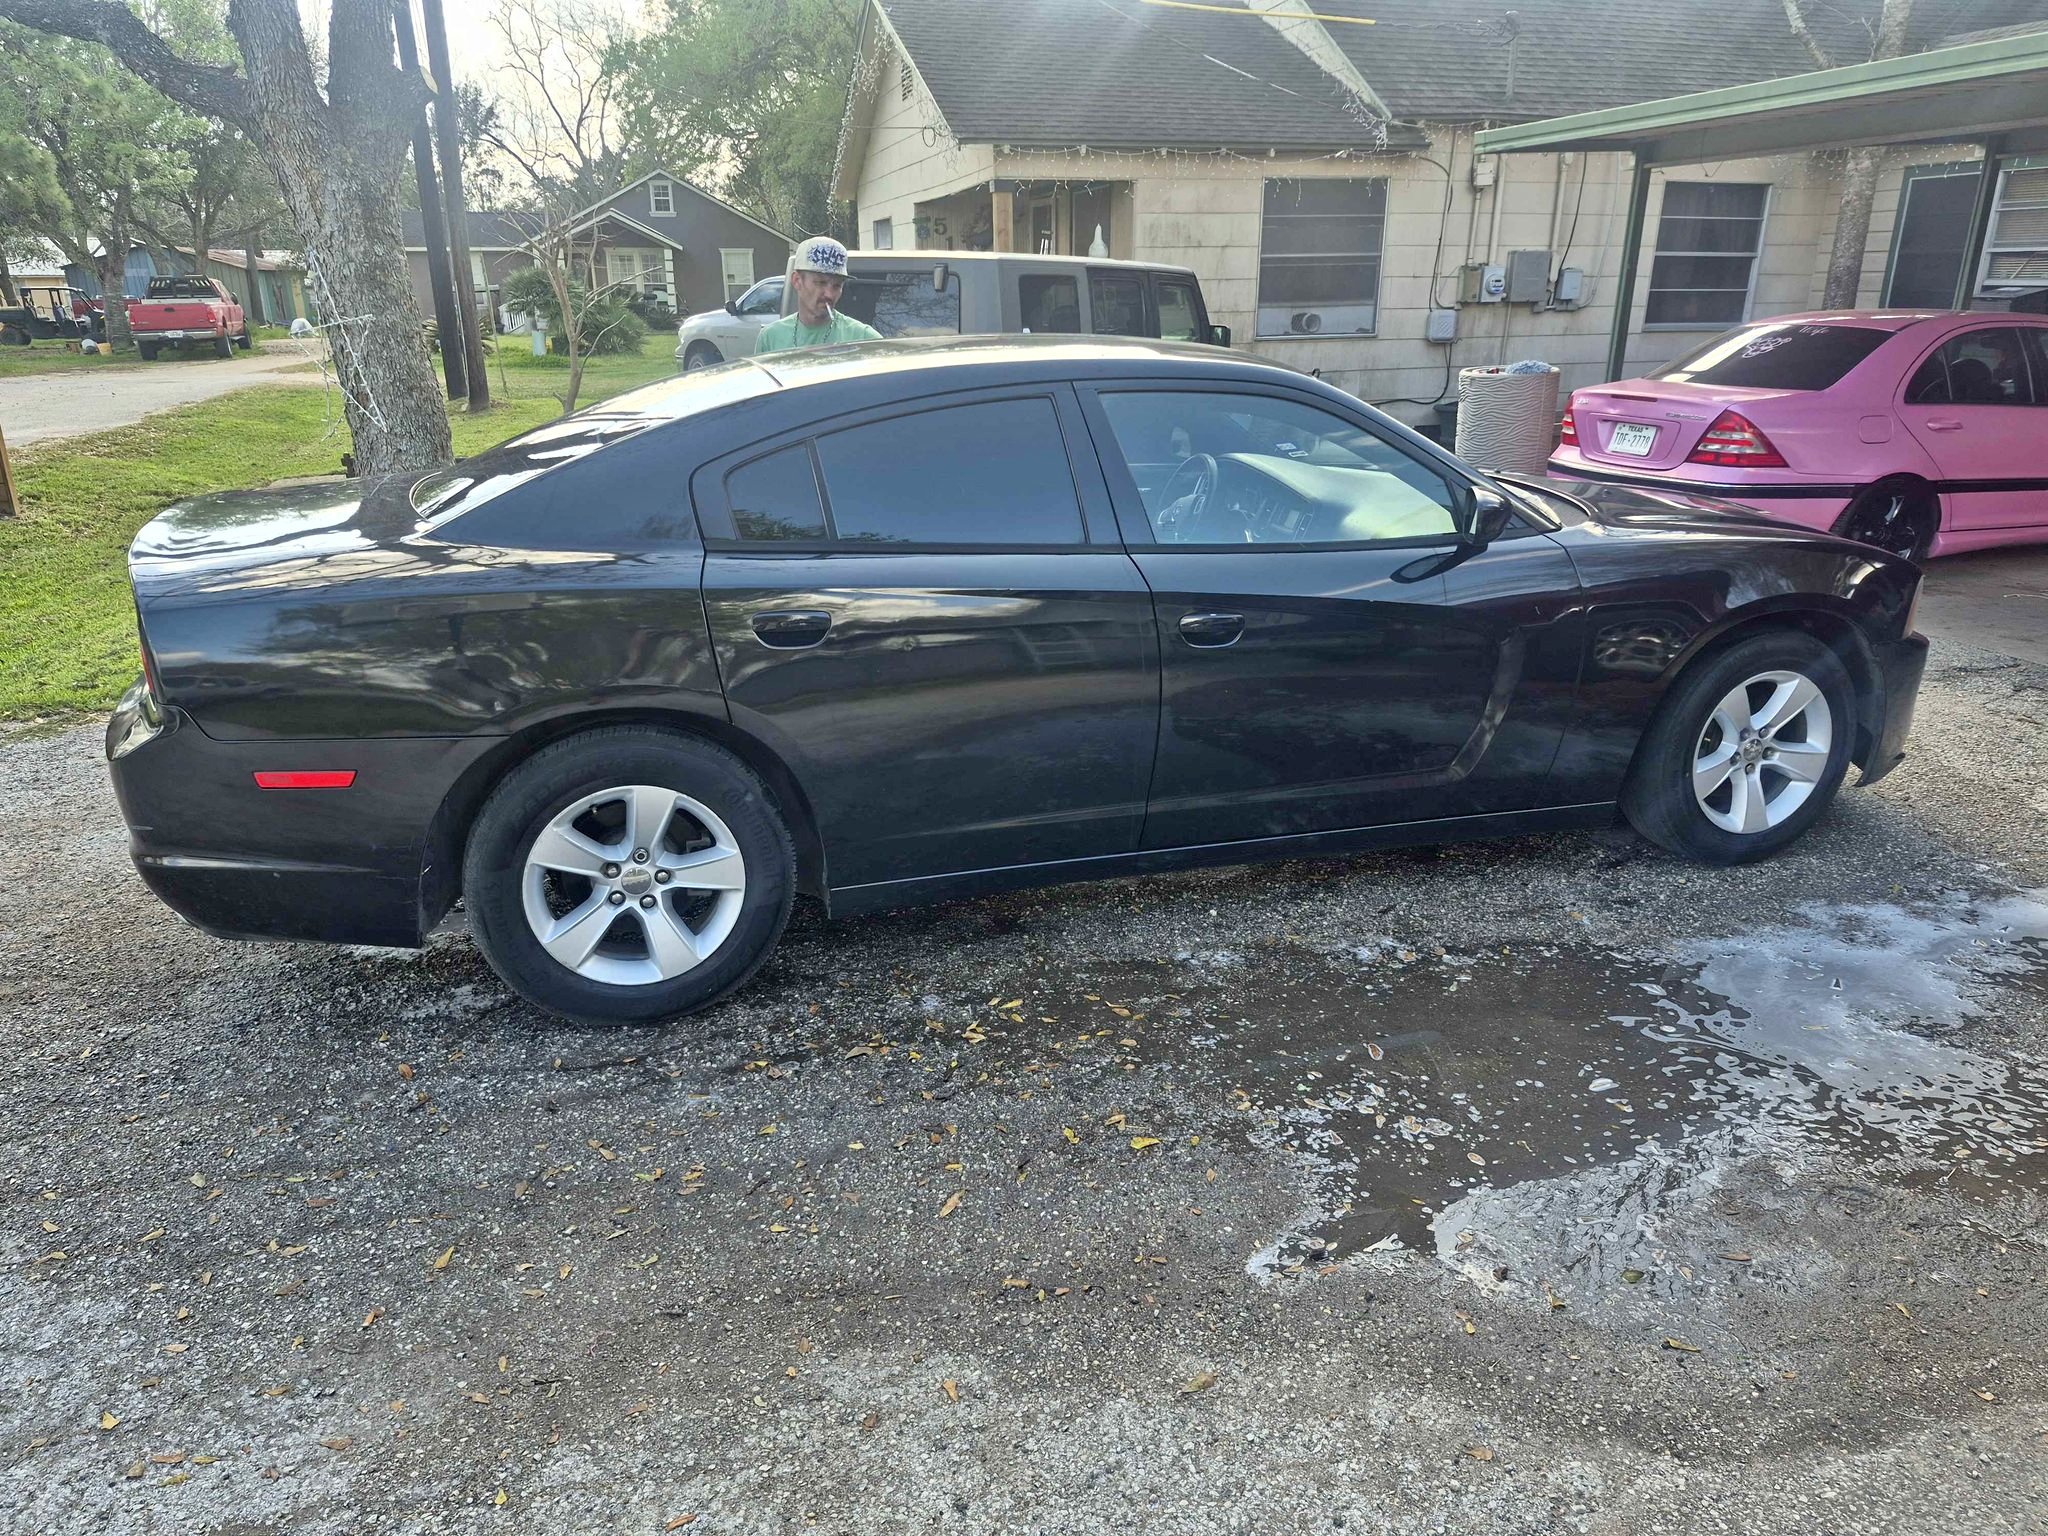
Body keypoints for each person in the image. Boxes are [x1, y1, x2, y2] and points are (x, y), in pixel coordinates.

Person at [753, 236, 880, 355]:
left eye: (837, 285)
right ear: (797, 281)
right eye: (821, 282)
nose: (829, 294)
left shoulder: (865, 339)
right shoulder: (770, 338)